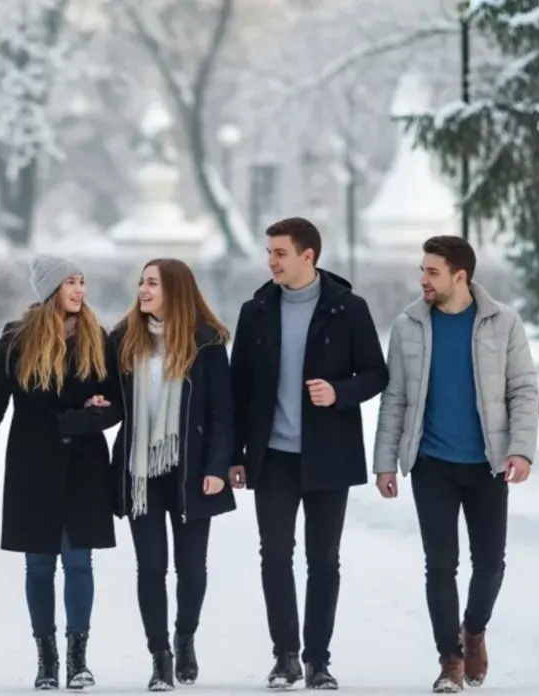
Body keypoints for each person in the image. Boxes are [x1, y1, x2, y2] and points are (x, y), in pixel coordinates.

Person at [372, 235, 538, 693]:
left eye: (432, 272)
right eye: (422, 270)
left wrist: (521, 449)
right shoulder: (408, 325)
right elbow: (395, 398)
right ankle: (450, 661)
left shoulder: (503, 323)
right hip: (433, 465)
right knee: (440, 565)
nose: (423, 279)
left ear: (459, 276)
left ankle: (474, 630)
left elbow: (523, 390)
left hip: (487, 465)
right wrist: (385, 462)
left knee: (491, 564)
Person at [228, 217, 388, 689]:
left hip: (329, 455)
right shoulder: (255, 311)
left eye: (280, 253)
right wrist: (235, 454)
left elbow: (376, 374)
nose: (271, 261)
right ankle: (286, 657)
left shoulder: (348, 308)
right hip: (273, 456)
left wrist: (339, 392)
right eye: (269, 253)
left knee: (323, 559)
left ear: (308, 256)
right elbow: (238, 388)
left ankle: (318, 660)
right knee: (275, 556)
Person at [0, 254, 116, 691]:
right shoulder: (17, 340)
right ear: (50, 290)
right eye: (70, 282)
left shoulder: (98, 337)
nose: (79, 290)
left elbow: (117, 403)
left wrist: (88, 418)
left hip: (84, 466)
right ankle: (47, 661)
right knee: (40, 565)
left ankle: (77, 659)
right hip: (33, 466)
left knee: (79, 562)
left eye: (82, 281)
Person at [102, 258, 237, 691]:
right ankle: (160, 656)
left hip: (192, 471)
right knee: (151, 567)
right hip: (141, 472)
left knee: (192, 569)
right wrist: (93, 406)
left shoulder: (206, 342)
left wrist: (217, 467)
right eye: (141, 282)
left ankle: (185, 636)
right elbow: (111, 399)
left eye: (153, 283)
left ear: (175, 290)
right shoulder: (123, 339)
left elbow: (222, 412)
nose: (143, 290)